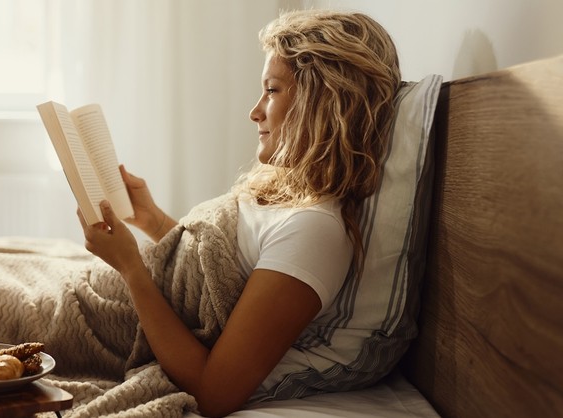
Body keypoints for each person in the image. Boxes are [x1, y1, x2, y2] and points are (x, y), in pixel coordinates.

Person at [77, 9, 401, 417]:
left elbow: (215, 391)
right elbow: (217, 277)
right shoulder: (286, 192)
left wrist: (130, 267)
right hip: (95, 292)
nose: (256, 110)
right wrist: (153, 221)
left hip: (100, 320)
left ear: (323, 102)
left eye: (273, 90)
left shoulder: (315, 230)